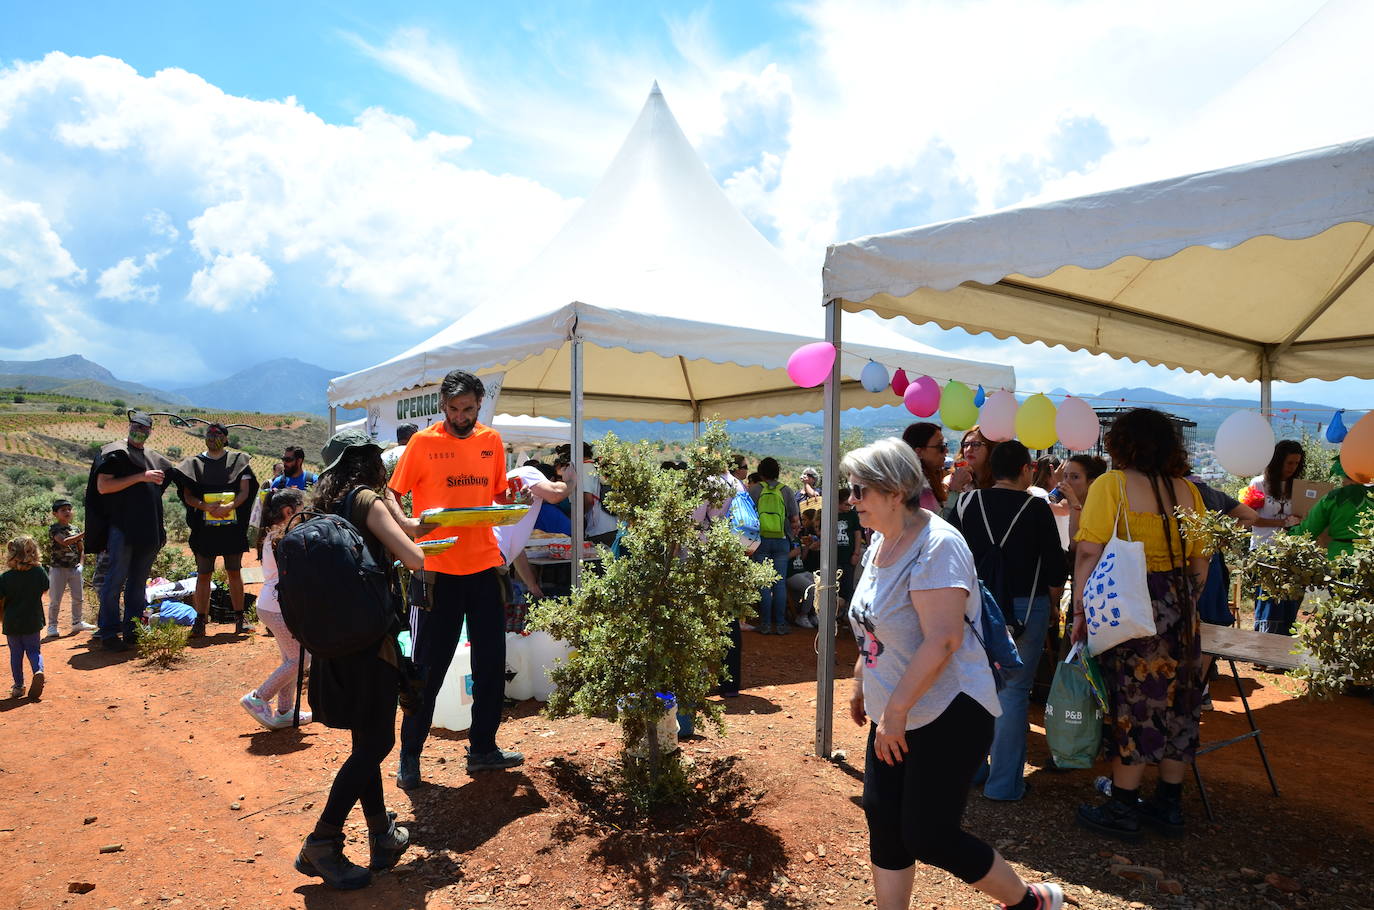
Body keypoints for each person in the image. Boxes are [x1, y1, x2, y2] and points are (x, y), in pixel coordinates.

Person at [843, 438, 1064, 910]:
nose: (850, 500)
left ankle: (1029, 903)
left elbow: (942, 639)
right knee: (884, 820)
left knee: (929, 835)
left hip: (949, 710)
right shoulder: (879, 542)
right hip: (897, 712)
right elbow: (871, 624)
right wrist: (863, 681)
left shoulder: (937, 545)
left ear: (893, 490)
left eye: (859, 490)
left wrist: (896, 709)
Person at [294, 430, 425, 890]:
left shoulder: (321, 507)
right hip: (371, 642)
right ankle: (322, 841)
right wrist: (423, 550)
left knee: (363, 740)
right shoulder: (366, 499)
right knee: (375, 746)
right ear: (370, 461)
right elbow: (413, 557)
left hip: (333, 642)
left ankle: (381, 835)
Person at [1071, 408, 1208, 841]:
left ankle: (1123, 808)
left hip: (1129, 606)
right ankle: (1169, 805)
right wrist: (1184, 601)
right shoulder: (1189, 491)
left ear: (1121, 442)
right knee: (1178, 704)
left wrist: (1078, 609)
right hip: (1180, 609)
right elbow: (1200, 561)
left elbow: (1089, 552)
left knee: (1136, 704)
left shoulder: (1112, 484)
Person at [389, 370, 524, 788]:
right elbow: (392, 494)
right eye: (452, 409)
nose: (460, 416)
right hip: (438, 571)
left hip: (484, 567)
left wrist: (512, 497)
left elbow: (497, 494)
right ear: (442, 406)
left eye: (467, 409)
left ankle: (483, 748)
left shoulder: (491, 441)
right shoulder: (423, 442)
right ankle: (409, 756)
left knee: (489, 664)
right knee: (428, 667)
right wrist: (409, 527)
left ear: (479, 404)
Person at [948, 441, 1068, 801]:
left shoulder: (967, 504)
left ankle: (970, 769)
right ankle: (1003, 785)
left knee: (971, 686)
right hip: (1024, 608)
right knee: (1013, 692)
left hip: (972, 606)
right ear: (1026, 469)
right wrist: (1052, 605)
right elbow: (1054, 567)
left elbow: (949, 552)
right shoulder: (1037, 507)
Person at [84, 410, 175, 652]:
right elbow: (103, 486)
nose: (139, 430)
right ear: (129, 426)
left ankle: (133, 631)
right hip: (122, 529)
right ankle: (109, 632)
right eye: (136, 425)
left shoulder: (155, 459)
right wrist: (141, 477)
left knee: (137, 583)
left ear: (150, 431)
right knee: (114, 580)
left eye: (144, 428)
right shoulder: (114, 453)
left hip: (149, 531)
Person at [240, 487, 313, 730]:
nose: (305, 514)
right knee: (301, 658)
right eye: (301, 509)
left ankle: (284, 711)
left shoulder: (274, 534)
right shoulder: (284, 537)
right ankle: (259, 698)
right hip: (278, 607)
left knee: (290, 658)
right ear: (288, 511)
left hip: (271, 605)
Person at [177, 422, 259, 637]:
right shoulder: (194, 464)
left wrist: (229, 507)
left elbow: (245, 492)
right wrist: (206, 507)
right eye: (209, 434)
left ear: (225, 438)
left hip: (231, 527)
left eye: (217, 434)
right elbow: (187, 495)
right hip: (205, 530)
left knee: (234, 571)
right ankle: (200, 621)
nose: (212, 437)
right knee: (203, 574)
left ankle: (241, 619)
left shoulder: (239, 462)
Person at [494, 463, 569, 629]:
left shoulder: (518, 492)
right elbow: (556, 494)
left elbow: (517, 550)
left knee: (486, 624)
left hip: (494, 558)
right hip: (492, 560)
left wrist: (532, 585)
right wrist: (571, 481)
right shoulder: (528, 473)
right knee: (490, 624)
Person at [1245, 440, 1306, 635]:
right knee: (1270, 600)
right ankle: (1263, 649)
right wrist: (1282, 523)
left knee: (1289, 599)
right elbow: (1251, 519)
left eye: (1297, 463)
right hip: (1264, 549)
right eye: (1289, 463)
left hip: (1290, 551)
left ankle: (1281, 651)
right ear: (1278, 461)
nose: (1292, 468)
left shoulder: (1297, 487)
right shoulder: (1258, 483)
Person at [747, 457, 801, 635]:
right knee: (779, 583)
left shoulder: (754, 490)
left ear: (761, 472)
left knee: (763, 583)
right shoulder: (786, 491)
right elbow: (794, 520)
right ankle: (780, 624)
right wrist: (792, 536)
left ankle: (765, 624)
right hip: (781, 540)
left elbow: (747, 518)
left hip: (760, 540)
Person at [1285, 456, 1374, 559]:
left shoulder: (1333, 498)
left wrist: (1292, 527)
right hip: (1369, 560)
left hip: (1339, 559)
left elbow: (1307, 532)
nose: (1342, 482)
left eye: (1343, 477)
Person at [3, 537, 49, 701]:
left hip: (12, 621)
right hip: (33, 619)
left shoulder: (6, 577)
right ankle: (38, 670)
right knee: (34, 650)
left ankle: (18, 686)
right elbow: (45, 588)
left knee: (16, 653)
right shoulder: (39, 572)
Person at [557, 442, 619, 547]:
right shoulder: (594, 466)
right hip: (610, 526)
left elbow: (588, 500)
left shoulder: (585, 469)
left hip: (599, 530)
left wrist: (575, 518)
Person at [45, 498, 91, 638]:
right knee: (55, 599)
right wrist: (84, 533)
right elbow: (64, 542)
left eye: (69, 509)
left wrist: (81, 565)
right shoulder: (55, 529)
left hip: (74, 568)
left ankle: (77, 622)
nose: (67, 512)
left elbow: (81, 549)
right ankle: (52, 626)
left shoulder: (75, 529)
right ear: (55, 513)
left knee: (78, 597)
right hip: (58, 568)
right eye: (63, 510)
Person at [901, 422, 948, 511]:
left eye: (945, 445)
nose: (946, 450)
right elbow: (940, 521)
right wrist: (955, 490)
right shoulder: (918, 487)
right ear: (918, 452)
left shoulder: (929, 477)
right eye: (940, 446)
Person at [945, 426, 995, 500]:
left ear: (990, 449)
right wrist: (956, 487)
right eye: (966, 444)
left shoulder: (1002, 481)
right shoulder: (951, 481)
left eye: (976, 444)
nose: (968, 449)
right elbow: (947, 510)